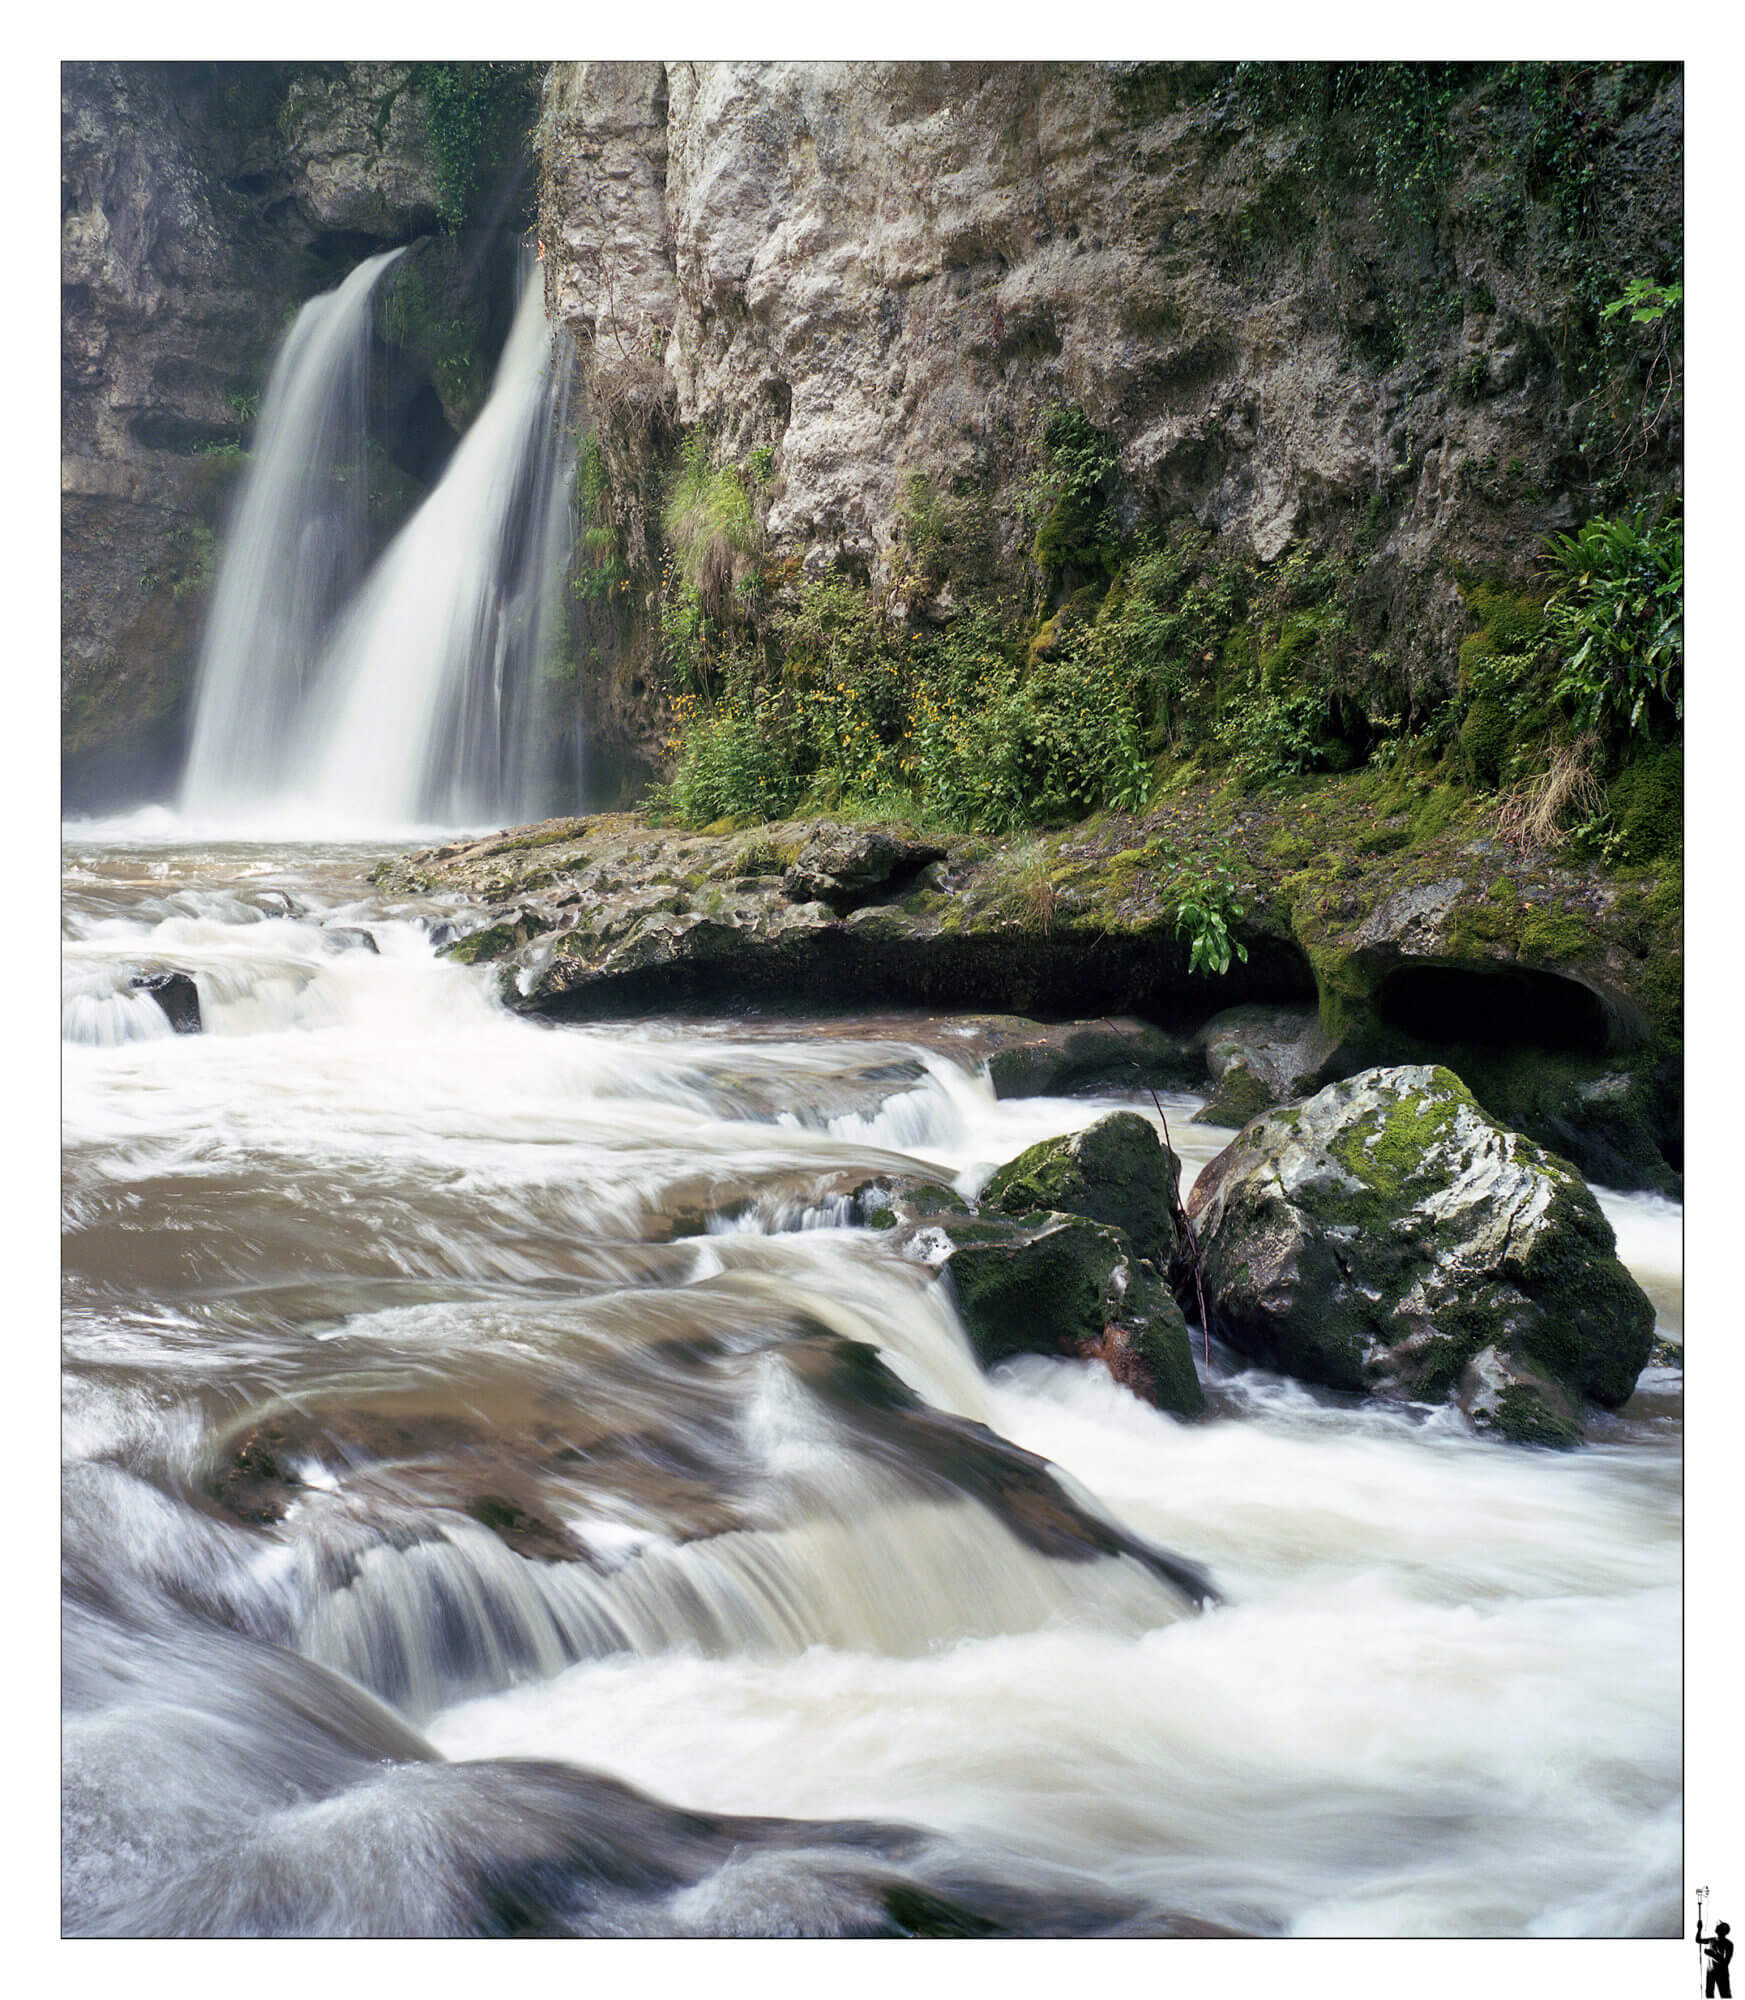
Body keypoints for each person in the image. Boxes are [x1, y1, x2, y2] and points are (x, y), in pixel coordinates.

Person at [1699, 1917, 1734, 1998]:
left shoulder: (1729, 1944)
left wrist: (1712, 1954)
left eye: (1718, 1926)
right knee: (1709, 1994)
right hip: (1710, 1972)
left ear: (1722, 1931)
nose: (1716, 1927)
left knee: (1725, 1995)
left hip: (1722, 1974)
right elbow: (1698, 1940)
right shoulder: (1712, 1940)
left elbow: (1725, 1963)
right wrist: (1699, 1929)